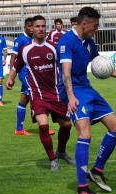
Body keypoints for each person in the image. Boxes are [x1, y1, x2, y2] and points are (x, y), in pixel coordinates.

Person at [57, 7, 116, 194]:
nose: (96, 29)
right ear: (84, 24)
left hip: (87, 89)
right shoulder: (66, 42)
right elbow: (66, 73)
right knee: (85, 133)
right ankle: (82, 189)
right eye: (95, 26)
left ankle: (96, 170)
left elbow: (104, 68)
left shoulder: (89, 42)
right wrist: (71, 96)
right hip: (73, 91)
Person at [6, 15, 75, 171]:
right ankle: (52, 160)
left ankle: (61, 152)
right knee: (43, 126)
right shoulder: (26, 49)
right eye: (37, 26)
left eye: (43, 26)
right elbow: (16, 66)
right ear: (32, 28)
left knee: (67, 125)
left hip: (56, 94)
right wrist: (10, 78)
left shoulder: (54, 47)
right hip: (37, 95)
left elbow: (66, 66)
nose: (40, 29)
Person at [9, 17, 55, 136]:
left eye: (32, 26)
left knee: (24, 99)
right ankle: (43, 125)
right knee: (40, 95)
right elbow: (14, 57)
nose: (31, 28)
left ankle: (19, 129)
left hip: (35, 74)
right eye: (29, 26)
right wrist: (11, 75)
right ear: (26, 27)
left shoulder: (35, 40)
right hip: (25, 73)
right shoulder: (21, 40)